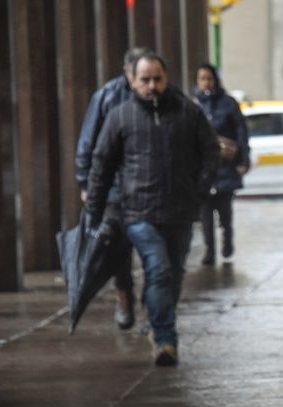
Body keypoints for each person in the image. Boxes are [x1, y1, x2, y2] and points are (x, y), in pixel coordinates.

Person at [85, 52, 219, 366]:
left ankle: (156, 318)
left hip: (180, 211)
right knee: (158, 270)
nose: (152, 86)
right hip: (139, 213)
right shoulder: (120, 116)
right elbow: (101, 165)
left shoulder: (188, 112)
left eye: (157, 78)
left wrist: (198, 189)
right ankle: (165, 339)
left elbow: (210, 150)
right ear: (132, 81)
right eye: (144, 80)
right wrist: (93, 211)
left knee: (173, 275)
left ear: (166, 77)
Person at [75, 47, 147, 330]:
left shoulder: (160, 97)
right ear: (127, 71)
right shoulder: (106, 97)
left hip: (147, 189)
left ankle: (149, 304)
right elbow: (88, 143)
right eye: (136, 75)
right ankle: (124, 296)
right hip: (115, 191)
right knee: (118, 252)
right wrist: (86, 183)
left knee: (153, 251)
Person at [193, 63, 250, 265]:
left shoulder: (228, 104)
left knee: (225, 211)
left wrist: (243, 159)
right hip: (203, 169)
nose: (206, 83)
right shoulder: (194, 105)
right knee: (205, 213)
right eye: (202, 79)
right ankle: (210, 250)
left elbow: (241, 132)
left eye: (209, 79)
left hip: (225, 166)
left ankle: (227, 240)